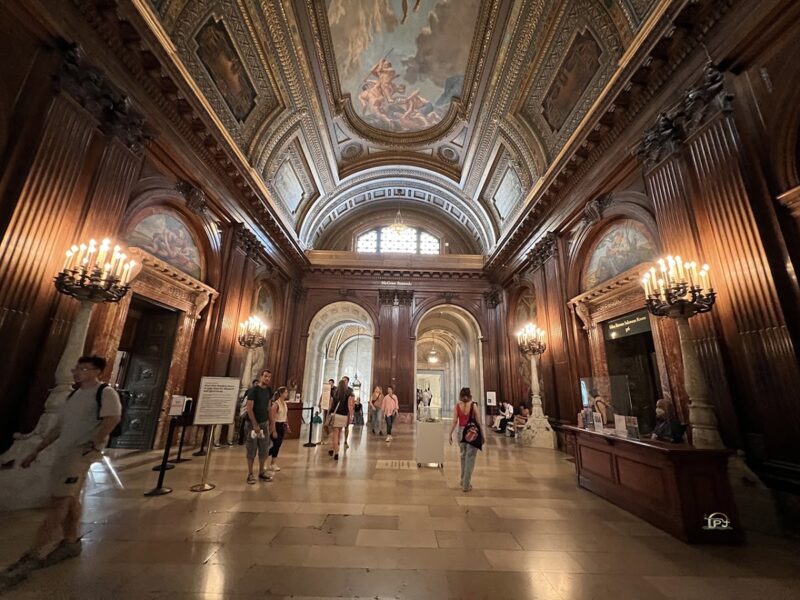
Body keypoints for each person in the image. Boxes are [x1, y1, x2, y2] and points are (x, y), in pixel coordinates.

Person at [1, 356, 121, 586]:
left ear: (97, 371)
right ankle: (70, 541)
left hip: (79, 454)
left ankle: (33, 555)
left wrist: (95, 443)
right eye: (77, 368)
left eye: (83, 369)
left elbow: (112, 419)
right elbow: (59, 427)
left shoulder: (106, 393)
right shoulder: (74, 394)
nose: (77, 372)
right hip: (64, 452)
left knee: (58, 502)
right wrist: (36, 451)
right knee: (71, 497)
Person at [449, 387, 483, 492]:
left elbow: (455, 421)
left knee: (463, 457)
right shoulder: (473, 405)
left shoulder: (457, 406)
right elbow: (478, 421)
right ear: (470, 395)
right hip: (471, 432)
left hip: (461, 432)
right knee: (470, 458)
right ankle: (466, 484)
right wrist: (482, 434)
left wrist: (450, 434)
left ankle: (462, 480)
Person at [244, 369, 273, 484]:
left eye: (269, 377)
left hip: (264, 423)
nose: (267, 379)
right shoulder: (253, 390)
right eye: (265, 376)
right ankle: (250, 473)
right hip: (252, 424)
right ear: (261, 376)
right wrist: (255, 424)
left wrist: (272, 424)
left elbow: (269, 408)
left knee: (264, 449)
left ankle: (261, 471)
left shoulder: (269, 390)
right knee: (251, 449)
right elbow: (249, 408)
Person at [328, 378, 354, 461]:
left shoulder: (335, 393)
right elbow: (349, 406)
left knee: (335, 433)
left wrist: (329, 413)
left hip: (336, 415)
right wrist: (350, 416)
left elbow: (331, 404)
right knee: (339, 432)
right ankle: (335, 449)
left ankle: (336, 452)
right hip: (343, 416)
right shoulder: (348, 393)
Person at [268, 387, 290, 471]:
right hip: (276, 425)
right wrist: (273, 430)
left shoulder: (284, 403)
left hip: (282, 425)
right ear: (281, 393)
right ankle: (272, 462)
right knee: (276, 444)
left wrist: (287, 425)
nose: (287, 394)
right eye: (285, 392)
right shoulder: (276, 404)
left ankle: (267, 456)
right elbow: (272, 417)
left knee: (278, 445)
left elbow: (285, 415)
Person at [238, 378, 259, 445]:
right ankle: (241, 440)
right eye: (255, 383)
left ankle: (250, 440)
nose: (256, 385)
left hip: (254, 411)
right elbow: (245, 400)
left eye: (257, 384)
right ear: (253, 384)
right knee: (244, 425)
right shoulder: (249, 391)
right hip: (248, 411)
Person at [318, 379, 335, 444]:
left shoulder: (334, 391)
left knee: (328, 424)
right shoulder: (326, 390)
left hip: (331, 410)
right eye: (329, 383)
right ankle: (324, 438)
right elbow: (322, 396)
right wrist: (320, 403)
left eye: (331, 383)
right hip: (325, 408)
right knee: (324, 423)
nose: (329, 384)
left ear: (333, 384)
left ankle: (329, 438)